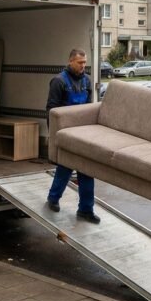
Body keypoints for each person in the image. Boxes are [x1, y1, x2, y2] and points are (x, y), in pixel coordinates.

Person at [46, 48, 100, 224]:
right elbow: (51, 111)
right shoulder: (58, 82)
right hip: (65, 133)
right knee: (65, 168)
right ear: (70, 61)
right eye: (80, 62)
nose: (83, 66)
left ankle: (86, 210)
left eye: (85, 62)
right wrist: (54, 137)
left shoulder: (87, 81)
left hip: (82, 134)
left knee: (86, 171)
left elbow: (90, 110)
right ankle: (53, 199)